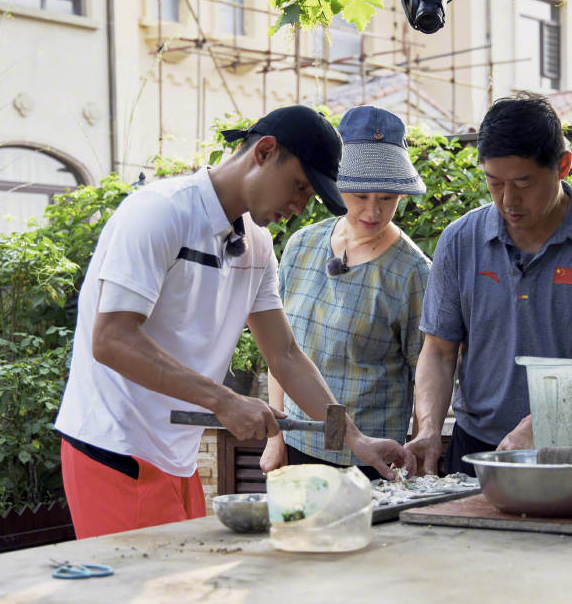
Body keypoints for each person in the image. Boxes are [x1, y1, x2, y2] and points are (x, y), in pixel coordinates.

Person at [55, 105, 414, 539]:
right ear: (264, 151)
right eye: (300, 186)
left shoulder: (258, 245)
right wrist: (224, 400)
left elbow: (285, 355)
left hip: (176, 454)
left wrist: (355, 439)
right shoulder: (157, 212)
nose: (300, 206)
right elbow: (111, 339)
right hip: (113, 447)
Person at [405, 94, 572, 476]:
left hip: (569, 449)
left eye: (523, 183)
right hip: (475, 447)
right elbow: (438, 350)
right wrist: (429, 428)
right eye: (494, 183)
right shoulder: (460, 239)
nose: (508, 200)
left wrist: (539, 426)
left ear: (563, 166)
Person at [260, 106, 431, 480]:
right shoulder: (302, 244)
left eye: (388, 198)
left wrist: (422, 447)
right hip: (299, 442)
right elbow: (281, 349)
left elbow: (426, 375)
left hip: (371, 459)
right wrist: (275, 438)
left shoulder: (413, 272)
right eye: (360, 194)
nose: (373, 210)